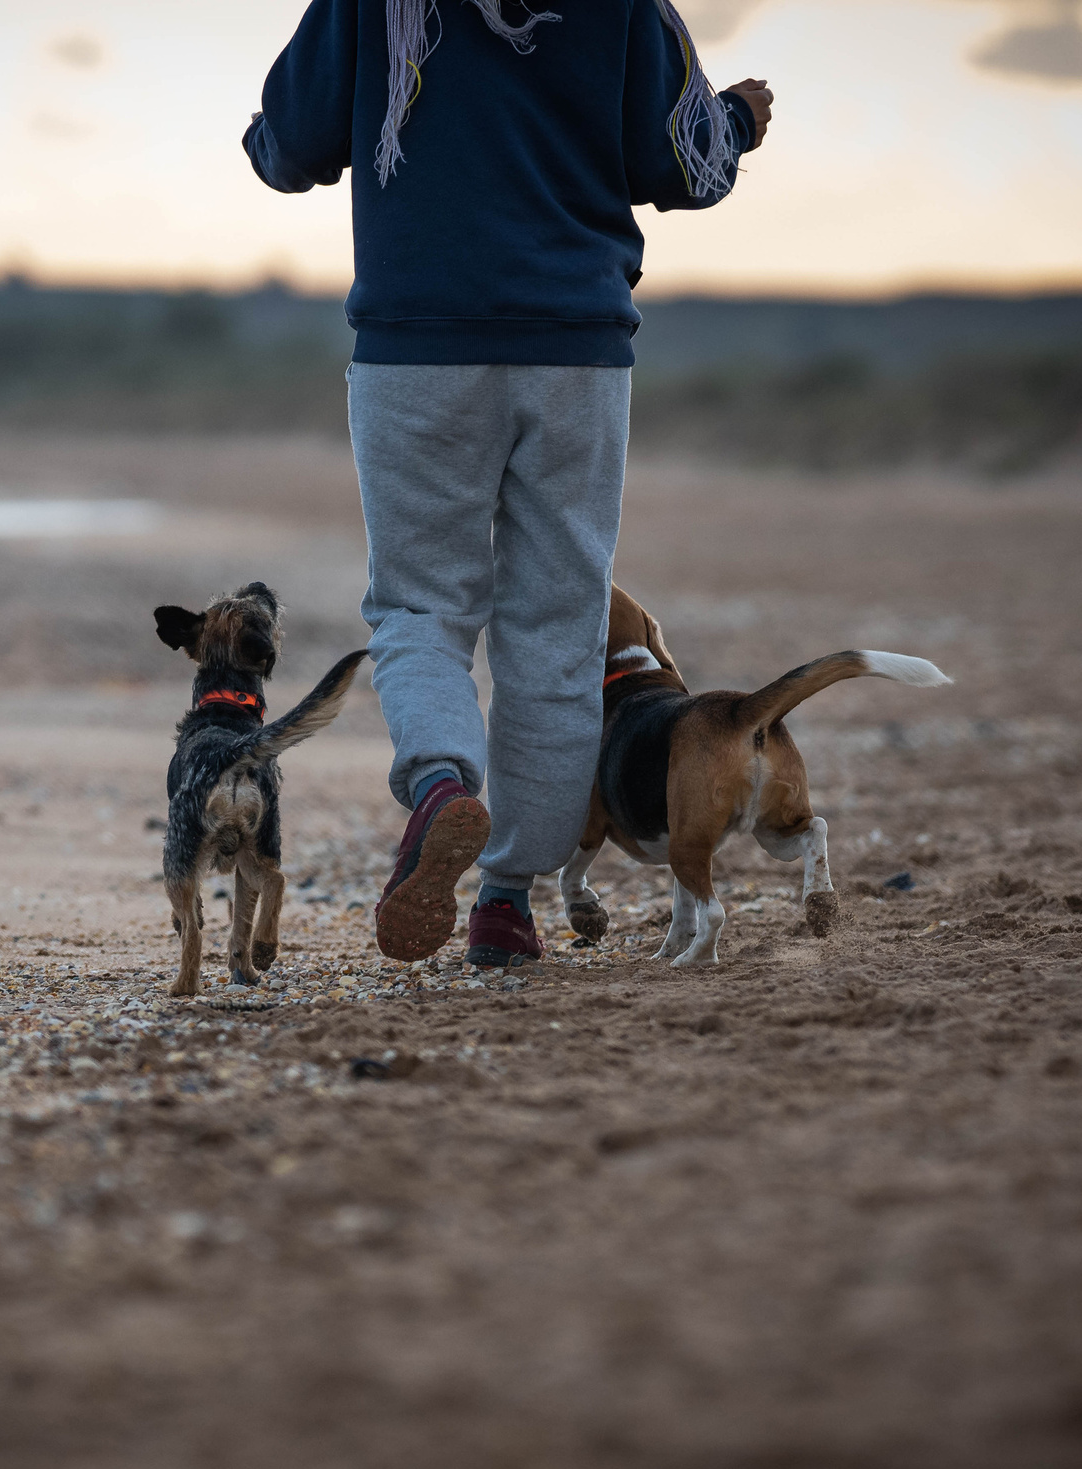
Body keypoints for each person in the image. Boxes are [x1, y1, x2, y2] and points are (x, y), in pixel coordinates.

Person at [244, 0, 772, 968]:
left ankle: (443, 786)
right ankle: (504, 900)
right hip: (575, 355)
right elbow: (685, 162)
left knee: (420, 608)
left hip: (416, 354)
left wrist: (266, 130)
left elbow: (288, 147)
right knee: (557, 627)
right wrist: (737, 119)